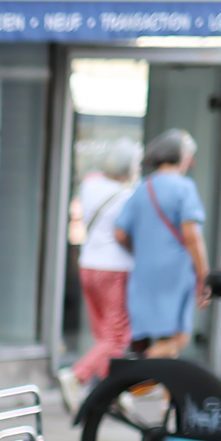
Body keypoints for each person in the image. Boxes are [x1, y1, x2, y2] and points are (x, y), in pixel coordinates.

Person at [115, 129, 209, 360]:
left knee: (157, 340)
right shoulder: (184, 187)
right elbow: (192, 236)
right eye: (189, 156)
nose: (191, 162)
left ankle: (171, 396)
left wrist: (144, 249)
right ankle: (128, 374)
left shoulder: (142, 187)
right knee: (178, 338)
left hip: (144, 273)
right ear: (179, 156)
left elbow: (120, 233)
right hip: (175, 274)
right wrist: (204, 275)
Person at [65, 140, 138, 391]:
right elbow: (122, 235)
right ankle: (77, 376)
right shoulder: (127, 195)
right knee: (116, 336)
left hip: (88, 265)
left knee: (102, 336)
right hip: (115, 268)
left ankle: (107, 391)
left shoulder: (90, 185)